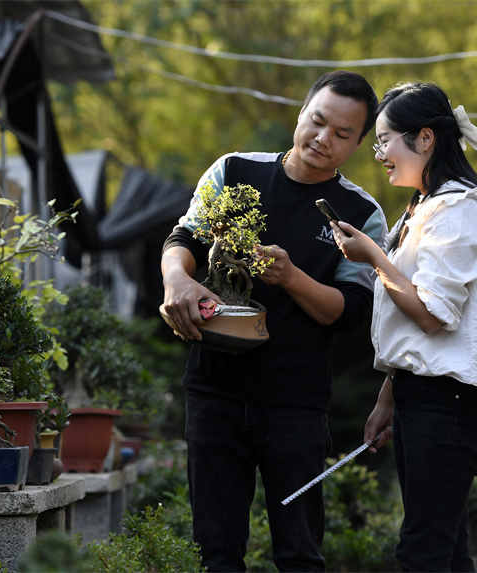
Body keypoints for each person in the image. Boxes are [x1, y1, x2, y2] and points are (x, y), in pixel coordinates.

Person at [159, 70, 387, 572]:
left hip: (296, 402)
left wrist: (291, 277)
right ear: (301, 113)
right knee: (215, 552)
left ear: (358, 145)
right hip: (215, 390)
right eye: (317, 121)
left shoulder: (360, 213)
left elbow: (353, 311)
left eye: (342, 133)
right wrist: (176, 279)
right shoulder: (234, 171)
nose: (323, 138)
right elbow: (186, 238)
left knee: (299, 553)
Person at [331, 81, 477, 572]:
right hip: (429, 393)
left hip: (452, 397)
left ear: (426, 138)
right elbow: (418, 328)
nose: (380, 155)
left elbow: (432, 314)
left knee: (423, 551)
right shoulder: (426, 208)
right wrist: (389, 399)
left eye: (384, 141)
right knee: (445, 551)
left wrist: (374, 258)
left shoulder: (459, 208)